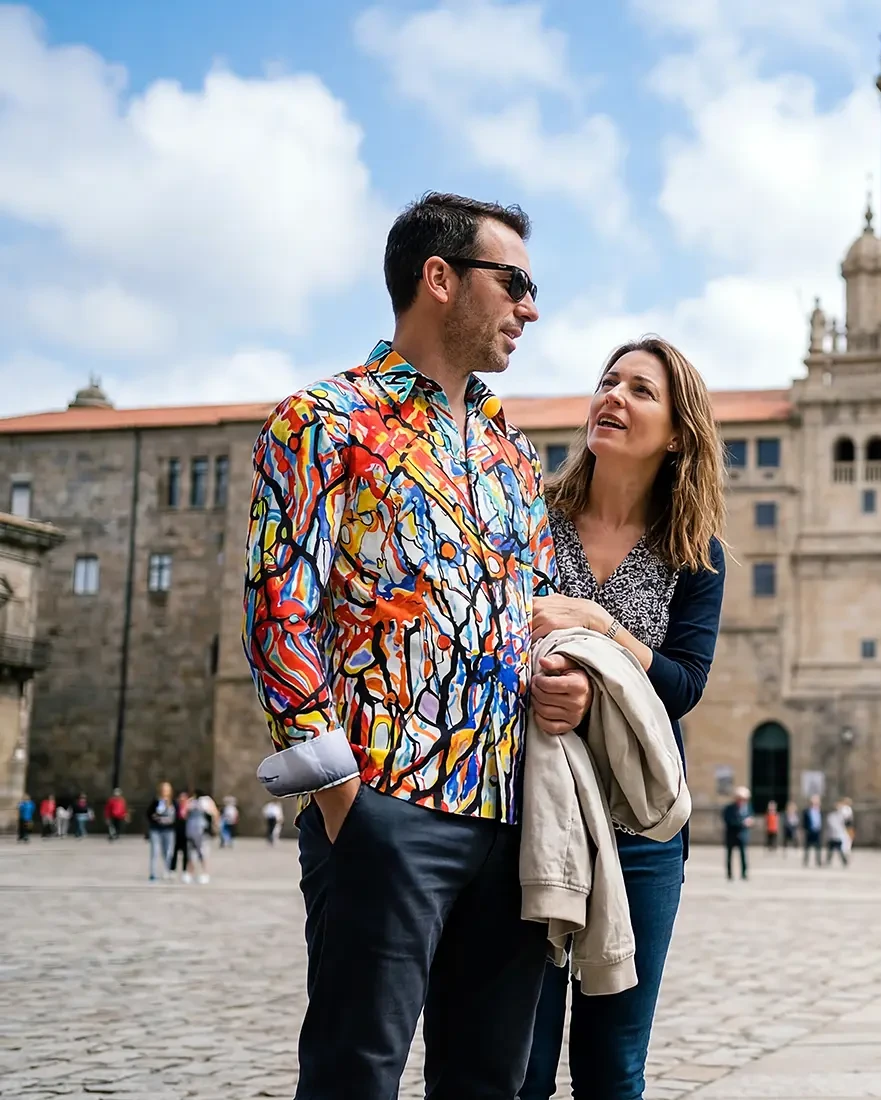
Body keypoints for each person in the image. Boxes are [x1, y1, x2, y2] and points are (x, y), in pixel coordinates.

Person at [244, 192, 594, 1100]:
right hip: (384, 811)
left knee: (491, 1081)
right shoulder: (323, 420)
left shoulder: (511, 452)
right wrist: (336, 793)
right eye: (513, 282)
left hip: (508, 814)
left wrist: (557, 684)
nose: (531, 307)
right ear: (439, 279)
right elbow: (278, 608)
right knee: (357, 1073)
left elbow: (518, 614)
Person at [517, 332, 728, 1100]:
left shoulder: (694, 551)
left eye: (641, 389)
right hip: (530, 813)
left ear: (676, 434)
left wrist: (599, 634)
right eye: (609, 382)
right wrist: (553, 687)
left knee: (613, 1068)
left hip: (641, 826)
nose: (614, 396)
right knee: (521, 1064)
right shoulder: (531, 521)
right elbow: (484, 646)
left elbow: (683, 684)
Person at [182, 789, 216, 884]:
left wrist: (214, 826)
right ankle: (190, 872)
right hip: (192, 830)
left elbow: (214, 813)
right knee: (191, 853)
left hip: (202, 830)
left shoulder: (206, 801)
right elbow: (184, 814)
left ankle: (204, 873)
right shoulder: (191, 801)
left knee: (203, 852)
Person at [721, 787, 753, 881]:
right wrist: (742, 823)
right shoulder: (729, 808)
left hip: (742, 835)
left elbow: (751, 816)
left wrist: (750, 822)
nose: (742, 801)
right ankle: (729, 873)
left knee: (743, 855)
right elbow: (728, 820)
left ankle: (744, 873)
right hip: (731, 834)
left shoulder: (748, 807)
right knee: (729, 855)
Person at [146, 783, 176, 881]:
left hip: (169, 830)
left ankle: (167, 870)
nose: (165, 791)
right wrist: (156, 818)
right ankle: (153, 873)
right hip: (156, 829)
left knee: (168, 852)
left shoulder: (173, 802)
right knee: (155, 851)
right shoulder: (156, 801)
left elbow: (178, 815)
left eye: (167, 789)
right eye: (164, 789)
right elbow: (148, 814)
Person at [829, 798, 854, 866]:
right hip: (837, 832)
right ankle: (830, 860)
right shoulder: (833, 815)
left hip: (843, 830)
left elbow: (847, 820)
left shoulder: (846, 810)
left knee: (844, 845)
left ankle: (845, 859)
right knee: (835, 848)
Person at [801, 795, 826, 866]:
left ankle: (819, 861)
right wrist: (804, 830)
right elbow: (804, 822)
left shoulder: (820, 811)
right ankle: (805, 861)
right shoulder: (807, 811)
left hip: (817, 831)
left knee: (818, 847)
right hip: (809, 831)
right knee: (807, 847)